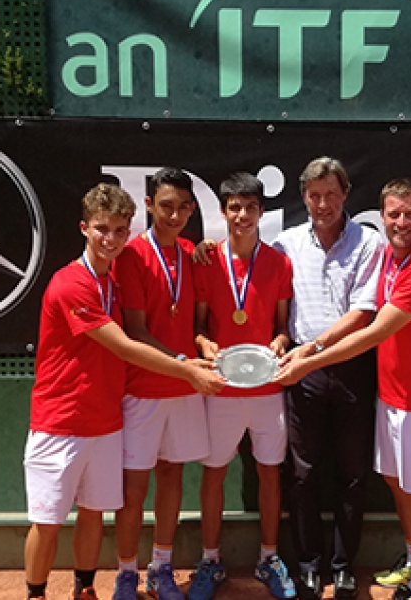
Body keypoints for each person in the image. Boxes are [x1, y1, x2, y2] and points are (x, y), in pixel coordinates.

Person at [23, 183, 225, 600]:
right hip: (60, 422)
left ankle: (86, 589)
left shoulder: (115, 278)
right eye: (102, 229)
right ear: (84, 228)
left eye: (118, 230)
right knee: (47, 522)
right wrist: (189, 370)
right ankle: (36, 593)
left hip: (106, 421)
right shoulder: (71, 284)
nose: (111, 239)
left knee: (94, 514)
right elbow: (125, 345)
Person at [274, 178, 411, 600]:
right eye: (394, 213)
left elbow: (375, 333)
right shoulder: (393, 260)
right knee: (397, 484)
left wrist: (308, 360)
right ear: (382, 215)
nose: (401, 221)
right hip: (391, 396)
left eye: (410, 213)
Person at [272, 157, 385, 600]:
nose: (323, 204)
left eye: (331, 194)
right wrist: (204, 248)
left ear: (346, 193)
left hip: (351, 368)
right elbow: (243, 261)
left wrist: (311, 351)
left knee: (354, 475)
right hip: (303, 376)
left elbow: (363, 314)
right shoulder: (285, 244)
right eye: (314, 195)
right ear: (304, 197)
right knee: (303, 474)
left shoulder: (369, 242)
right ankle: (308, 565)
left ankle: (343, 567)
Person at [189, 172, 297, 600]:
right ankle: (211, 560)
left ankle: (268, 557)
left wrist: (279, 342)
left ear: (261, 212)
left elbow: (284, 328)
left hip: (267, 389)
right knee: (213, 474)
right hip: (221, 387)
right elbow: (198, 326)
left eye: (250, 207)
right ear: (223, 211)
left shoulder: (279, 263)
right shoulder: (206, 260)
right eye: (234, 206)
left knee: (270, 474)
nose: (242, 215)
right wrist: (204, 343)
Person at [109, 168, 206, 600]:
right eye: (166, 205)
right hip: (144, 390)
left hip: (183, 391)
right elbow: (135, 330)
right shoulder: (130, 255)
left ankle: (161, 568)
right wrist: (185, 364)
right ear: (148, 205)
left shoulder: (191, 253)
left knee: (172, 478)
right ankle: (126, 573)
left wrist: (195, 358)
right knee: (133, 488)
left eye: (184, 207)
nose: (175, 214)